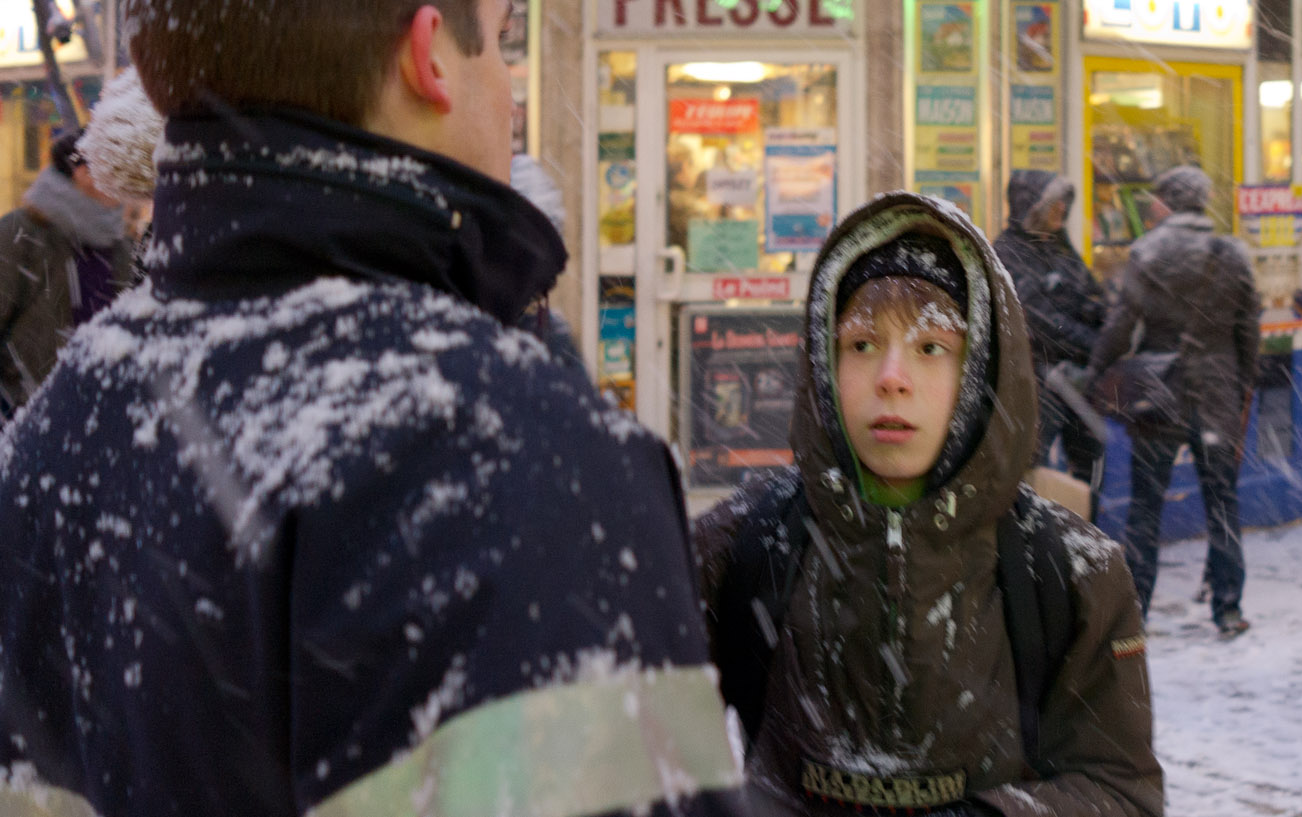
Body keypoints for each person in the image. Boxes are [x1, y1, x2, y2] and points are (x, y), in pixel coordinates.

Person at [0, 2, 745, 816]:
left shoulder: (58, 428)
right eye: (499, 44)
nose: (511, 94)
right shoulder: (506, 453)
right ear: (429, 58)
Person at [692, 192, 1163, 816]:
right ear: (825, 363)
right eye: (861, 344)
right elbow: (621, 754)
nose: (892, 376)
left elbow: (1121, 791)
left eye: (930, 348)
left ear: (979, 371)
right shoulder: (743, 544)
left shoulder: (1069, 573)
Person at [1086, 166, 1258, 637]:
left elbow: (1122, 324)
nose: (1153, 208)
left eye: (1158, 200)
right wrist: (1242, 382)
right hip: (1217, 389)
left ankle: (1137, 604)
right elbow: (1249, 329)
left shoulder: (1149, 252)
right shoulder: (1232, 254)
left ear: (1167, 204)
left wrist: (1096, 370)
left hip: (1162, 392)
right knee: (1222, 502)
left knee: (1146, 503)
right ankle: (1228, 606)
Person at [0, 127, 137, 420]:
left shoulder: (120, 246)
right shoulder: (19, 234)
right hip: (25, 424)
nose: (123, 182)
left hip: (100, 421)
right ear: (82, 172)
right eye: (114, 167)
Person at [992, 169, 1107, 510]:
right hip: (1037, 382)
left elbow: (1090, 298)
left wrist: (1101, 318)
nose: (1061, 212)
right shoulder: (1008, 254)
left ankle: (1086, 538)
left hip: (1078, 383)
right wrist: (1093, 343)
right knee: (1031, 470)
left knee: (1092, 461)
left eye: (1063, 205)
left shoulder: (1062, 250)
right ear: (1034, 209)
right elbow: (1038, 323)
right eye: (1053, 205)